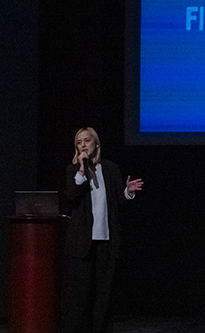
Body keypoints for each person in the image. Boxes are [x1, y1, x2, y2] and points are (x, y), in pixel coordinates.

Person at [60, 127, 143, 333]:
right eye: (79, 142)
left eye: (87, 141)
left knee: (104, 295)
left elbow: (117, 201)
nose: (83, 145)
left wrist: (127, 192)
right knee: (80, 296)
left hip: (106, 241)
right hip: (82, 244)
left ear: (96, 144)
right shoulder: (73, 170)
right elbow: (71, 196)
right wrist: (81, 170)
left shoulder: (110, 168)